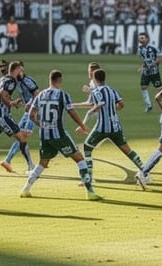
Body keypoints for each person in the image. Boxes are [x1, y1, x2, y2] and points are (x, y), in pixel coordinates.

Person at [19, 69, 101, 201]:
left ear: (50, 80)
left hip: (44, 135)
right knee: (80, 159)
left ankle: (25, 189)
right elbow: (71, 112)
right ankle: (90, 192)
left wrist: (41, 124)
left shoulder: (40, 95)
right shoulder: (62, 95)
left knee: (42, 163)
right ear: (59, 80)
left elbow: (31, 115)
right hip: (59, 135)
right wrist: (82, 125)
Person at [82, 68, 145, 182]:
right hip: (116, 126)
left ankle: (88, 177)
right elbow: (121, 104)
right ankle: (145, 170)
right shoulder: (112, 90)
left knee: (87, 147)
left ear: (95, 79)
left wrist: (90, 112)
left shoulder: (96, 92)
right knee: (127, 150)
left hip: (102, 128)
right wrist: (111, 110)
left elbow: (99, 104)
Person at [0, 60, 40, 174]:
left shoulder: (28, 80)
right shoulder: (16, 81)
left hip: (36, 110)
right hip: (29, 112)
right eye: (18, 70)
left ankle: (11, 160)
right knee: (21, 135)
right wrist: (16, 102)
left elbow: (37, 94)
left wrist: (30, 103)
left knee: (23, 135)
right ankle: (11, 161)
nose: (19, 72)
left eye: (20, 70)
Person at [137, 32, 162, 112]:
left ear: (147, 39)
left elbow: (159, 59)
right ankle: (148, 105)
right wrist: (142, 67)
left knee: (159, 88)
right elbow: (144, 60)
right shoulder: (140, 48)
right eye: (140, 38)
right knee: (143, 87)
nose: (141, 40)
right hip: (146, 72)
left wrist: (152, 64)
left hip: (154, 72)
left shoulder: (153, 47)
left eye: (142, 38)